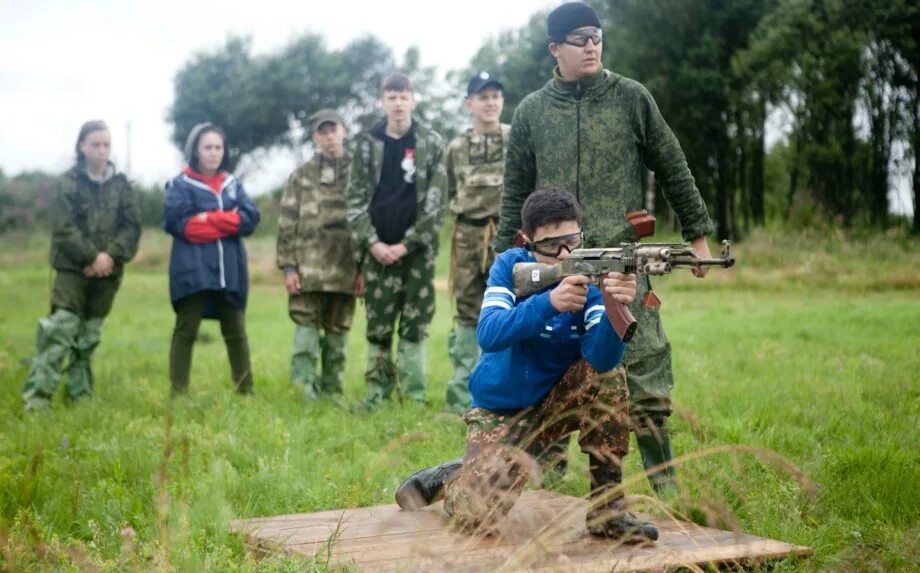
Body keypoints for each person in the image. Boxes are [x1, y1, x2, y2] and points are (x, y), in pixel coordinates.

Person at [492, 1, 717, 496]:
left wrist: (698, 235)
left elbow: (673, 165)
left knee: (646, 368)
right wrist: (502, 264)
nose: (591, 45)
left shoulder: (631, 98)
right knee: (548, 369)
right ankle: (546, 492)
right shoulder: (531, 112)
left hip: (621, 267)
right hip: (552, 266)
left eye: (596, 36)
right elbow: (514, 197)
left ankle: (666, 491)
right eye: (579, 39)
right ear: (555, 48)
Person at [396, 189, 657, 542]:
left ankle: (608, 512)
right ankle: (452, 477)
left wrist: (616, 308)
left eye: (572, 241)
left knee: (611, 375)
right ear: (528, 242)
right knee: (476, 515)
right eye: (551, 246)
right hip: (503, 409)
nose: (565, 254)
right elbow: (488, 333)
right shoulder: (509, 266)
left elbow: (601, 360)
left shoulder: (593, 277)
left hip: (559, 403)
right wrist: (549, 302)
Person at [21, 120, 141, 411]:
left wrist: (108, 258)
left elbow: (132, 228)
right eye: (95, 144)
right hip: (71, 272)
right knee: (59, 333)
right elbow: (63, 229)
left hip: (108, 275)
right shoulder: (67, 184)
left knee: (88, 338)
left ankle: (80, 398)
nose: (102, 150)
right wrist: (91, 257)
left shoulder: (122, 186)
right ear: (82, 147)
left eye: (106, 144)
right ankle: (37, 402)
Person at [345, 73, 447, 411]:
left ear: (413, 100)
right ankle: (376, 394)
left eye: (404, 96)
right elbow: (355, 200)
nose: (398, 102)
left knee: (415, 325)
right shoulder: (364, 143)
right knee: (378, 326)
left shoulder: (430, 142)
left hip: (417, 253)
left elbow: (437, 202)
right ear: (382, 102)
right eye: (391, 96)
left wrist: (408, 244)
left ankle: (414, 396)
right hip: (376, 253)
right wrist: (373, 244)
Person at [163, 123, 261, 395]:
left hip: (229, 271)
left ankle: (245, 391)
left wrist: (211, 217)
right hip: (193, 271)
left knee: (236, 332)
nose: (214, 153)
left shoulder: (233, 185)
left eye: (218, 147)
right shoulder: (180, 185)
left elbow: (250, 219)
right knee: (186, 331)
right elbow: (183, 226)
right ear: (195, 150)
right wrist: (229, 220)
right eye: (208, 147)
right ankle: (178, 392)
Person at [276, 109, 359, 403]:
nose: (329, 136)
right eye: (322, 131)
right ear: (315, 137)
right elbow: (286, 224)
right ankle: (302, 392)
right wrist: (288, 268)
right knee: (305, 337)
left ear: (343, 132)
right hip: (307, 272)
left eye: (333, 129)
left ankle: (332, 394)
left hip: (345, 272)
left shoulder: (360, 172)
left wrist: (363, 270)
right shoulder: (301, 176)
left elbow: (369, 222)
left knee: (337, 337)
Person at [443, 72, 511, 414]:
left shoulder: (515, 138)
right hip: (469, 237)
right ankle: (460, 396)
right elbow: (449, 192)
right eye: (483, 97)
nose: (490, 102)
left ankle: (502, 391)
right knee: (467, 312)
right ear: (469, 103)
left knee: (508, 308)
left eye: (496, 96)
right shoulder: (456, 147)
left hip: (509, 234)